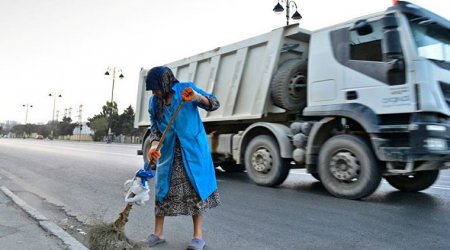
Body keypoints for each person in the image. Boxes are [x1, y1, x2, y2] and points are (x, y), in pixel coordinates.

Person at [144, 66, 220, 250]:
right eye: (152, 89)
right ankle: (158, 233)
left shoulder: (186, 89)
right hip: (169, 153)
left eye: (156, 88)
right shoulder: (155, 102)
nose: (154, 92)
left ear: (166, 82)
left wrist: (196, 97)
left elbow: (214, 103)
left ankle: (198, 236)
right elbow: (155, 129)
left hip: (192, 151)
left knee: (195, 192)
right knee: (162, 192)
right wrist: (154, 146)